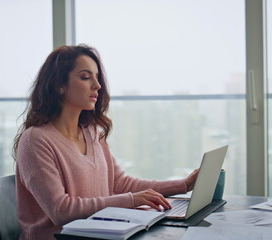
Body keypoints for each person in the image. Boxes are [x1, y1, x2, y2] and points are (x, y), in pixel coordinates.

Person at [13, 44, 199, 240]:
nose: (97, 85)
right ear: (60, 85)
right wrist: (131, 200)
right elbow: (61, 210)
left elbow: (121, 183)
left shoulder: (92, 133)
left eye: (97, 77)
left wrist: (183, 185)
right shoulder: (35, 140)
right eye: (85, 77)